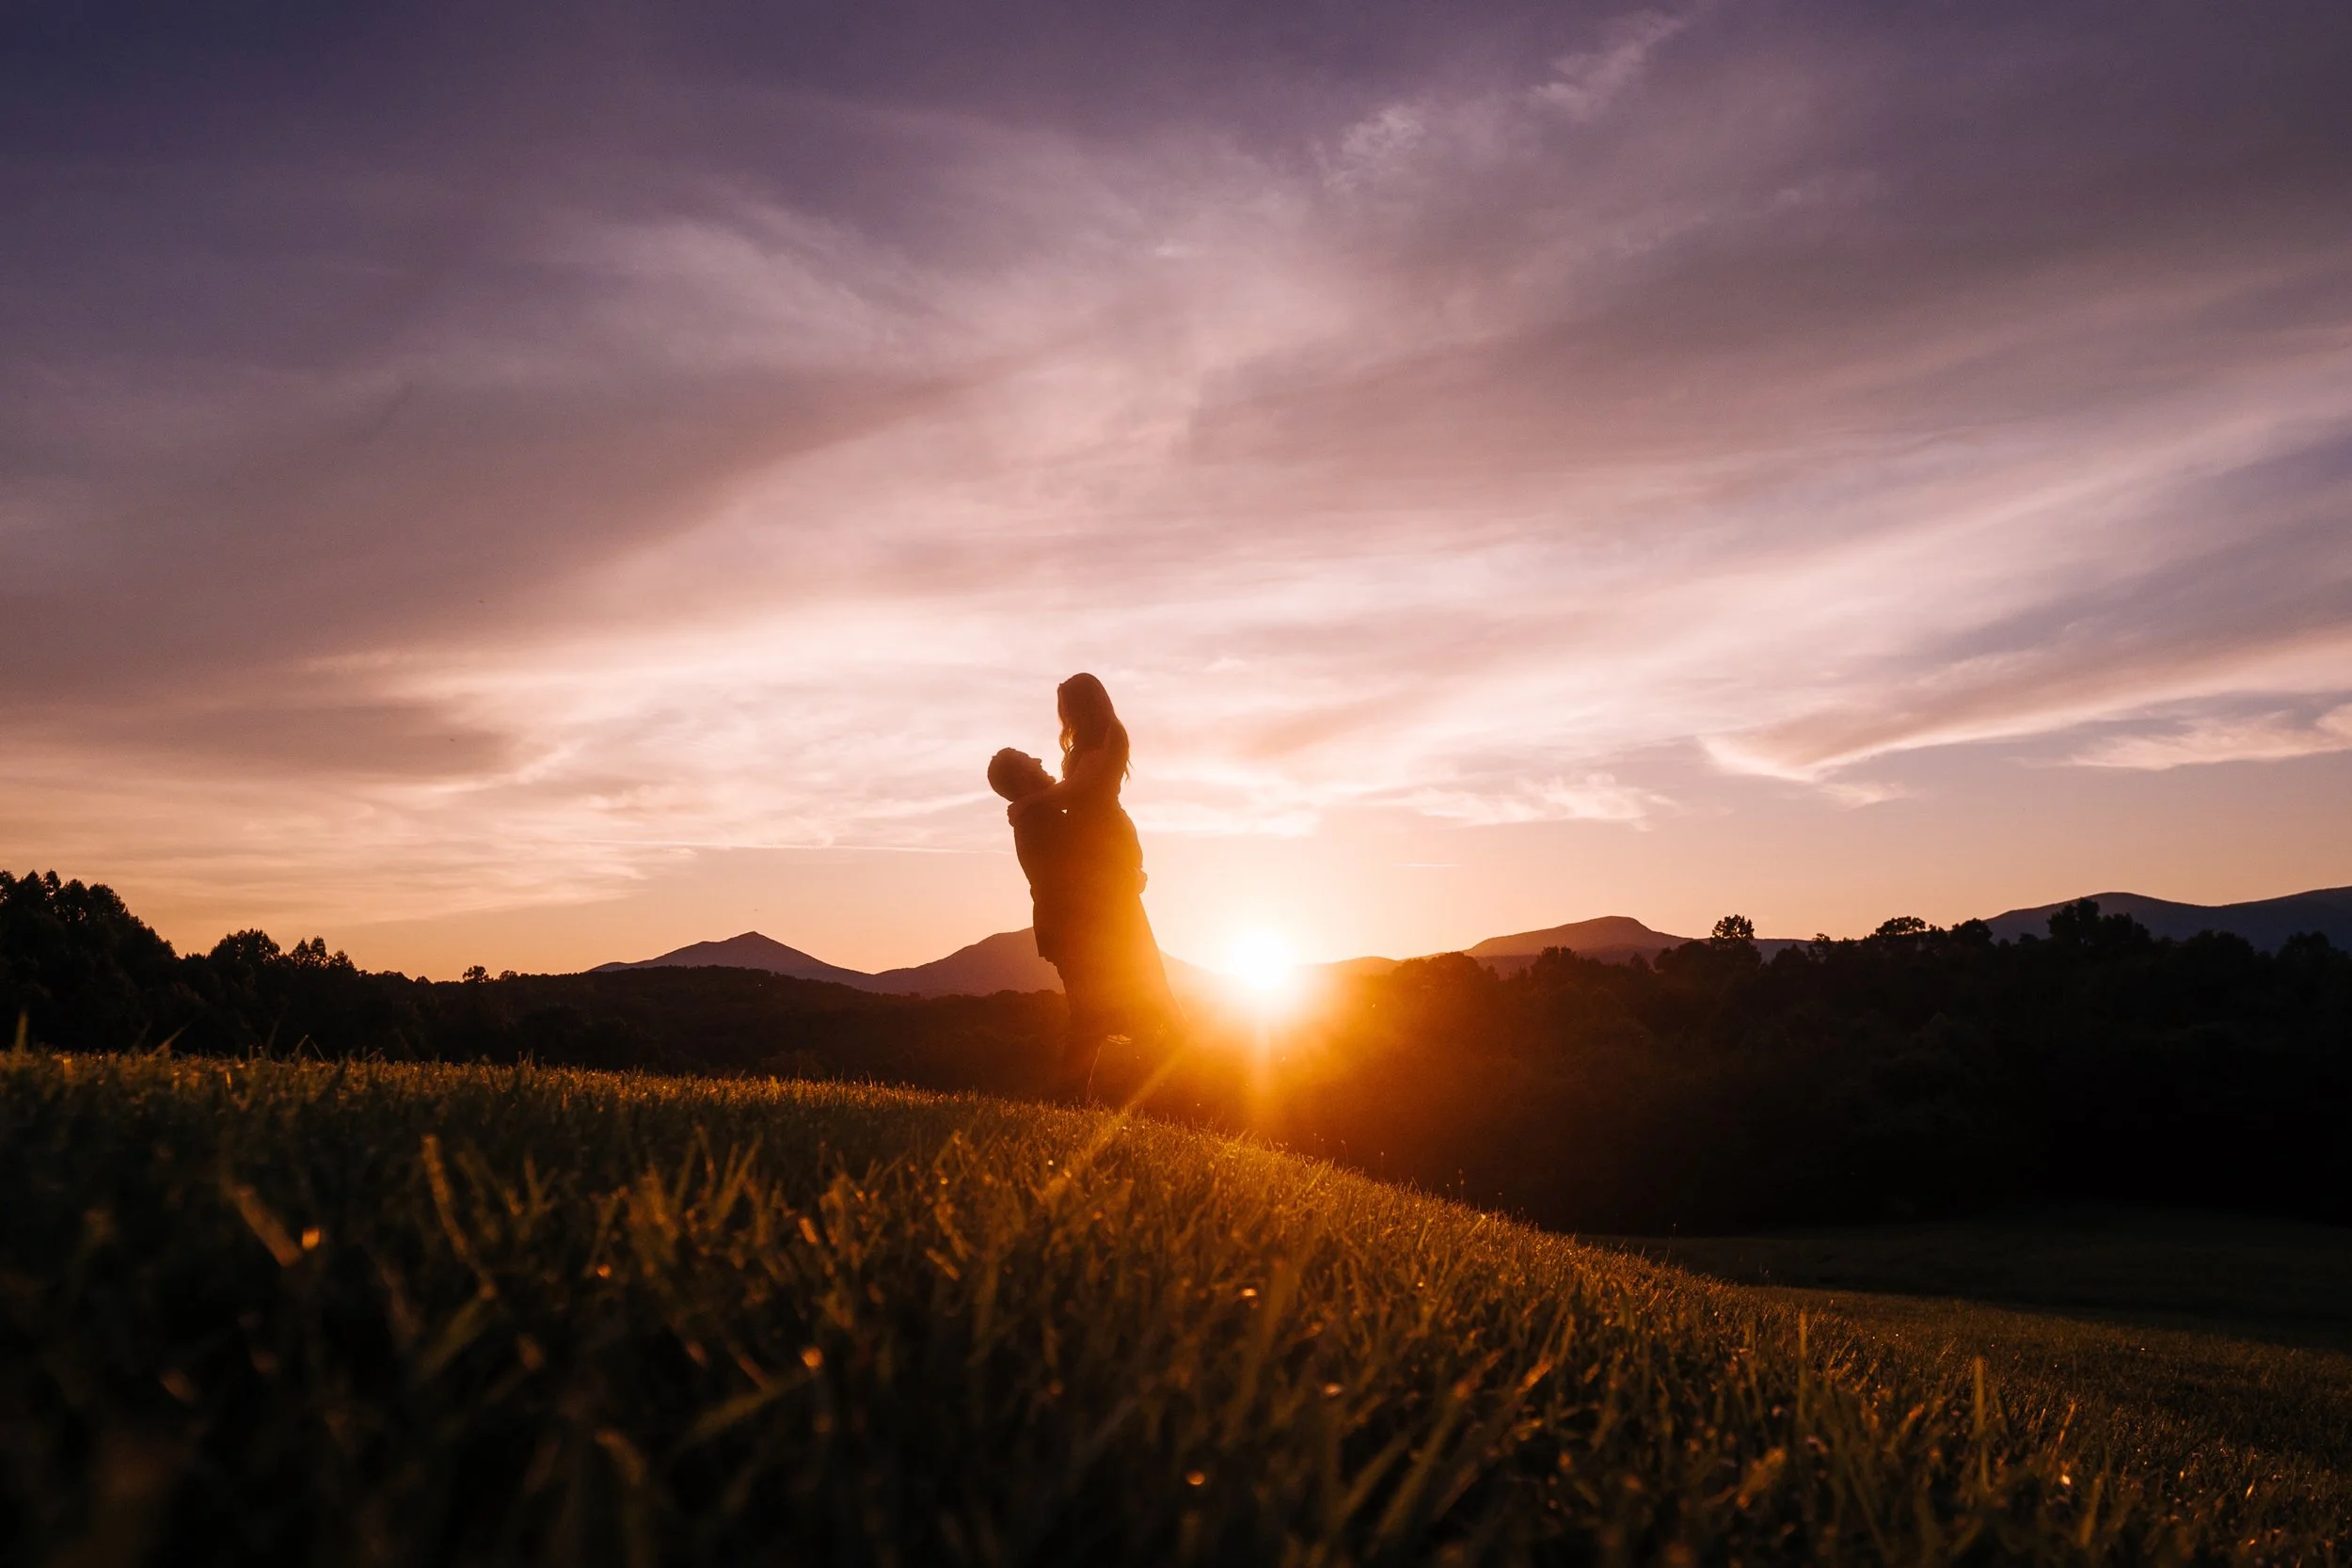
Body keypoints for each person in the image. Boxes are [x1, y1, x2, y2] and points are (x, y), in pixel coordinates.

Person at [991, 673, 1176, 1101]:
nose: (1040, 760)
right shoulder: (1044, 818)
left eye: (1068, 708)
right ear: (1019, 779)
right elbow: (1072, 866)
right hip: (1080, 919)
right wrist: (1125, 873)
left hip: (1087, 911)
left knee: (1102, 1010)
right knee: (1106, 1008)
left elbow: (1082, 806)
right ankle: (1077, 1097)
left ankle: (1078, 1097)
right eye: (1029, 763)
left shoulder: (1045, 807)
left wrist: (1126, 870)